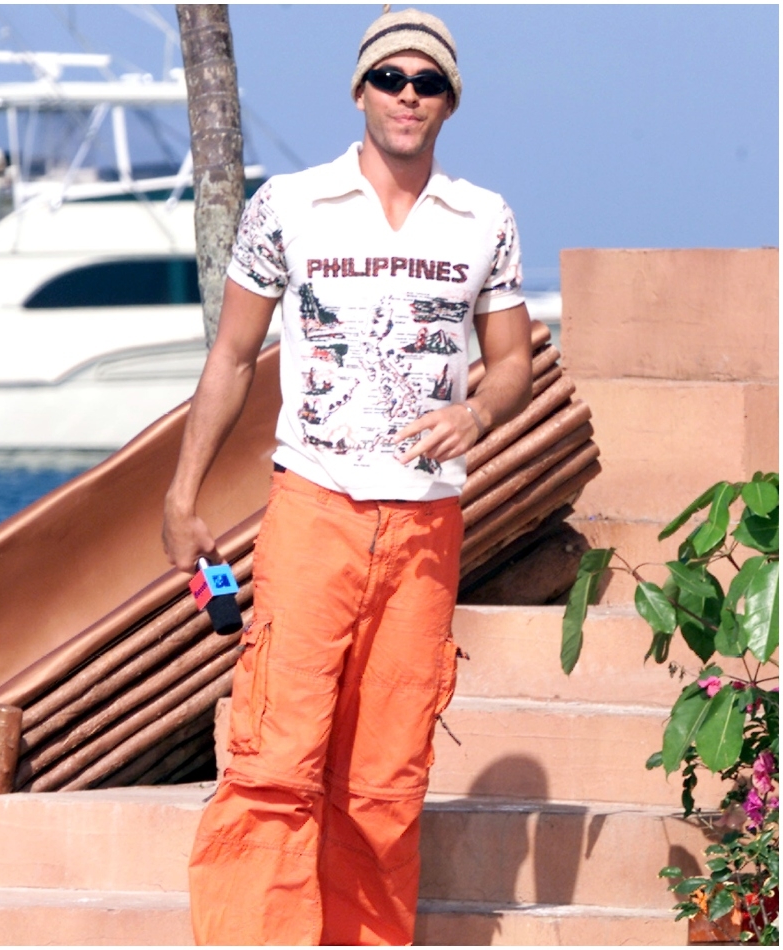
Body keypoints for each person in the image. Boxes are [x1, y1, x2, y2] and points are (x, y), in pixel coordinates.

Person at [162, 7, 533, 945]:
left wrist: (478, 411)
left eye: (429, 82)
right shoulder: (289, 204)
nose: (408, 96)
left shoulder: (483, 217)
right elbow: (235, 358)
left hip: (423, 530)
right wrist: (181, 496)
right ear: (360, 90)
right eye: (391, 79)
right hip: (313, 511)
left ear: (452, 102)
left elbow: (517, 359)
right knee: (274, 762)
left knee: (383, 778)